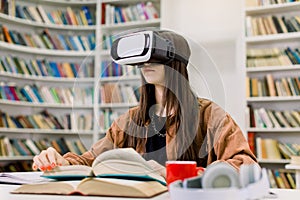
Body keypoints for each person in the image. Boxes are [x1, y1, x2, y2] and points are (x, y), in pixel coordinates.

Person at [32, 30, 257, 176]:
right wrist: (58, 161)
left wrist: (179, 174)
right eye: (142, 58)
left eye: (154, 57)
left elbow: (245, 164)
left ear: (175, 63)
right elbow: (90, 160)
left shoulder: (211, 116)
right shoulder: (130, 121)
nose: (146, 63)